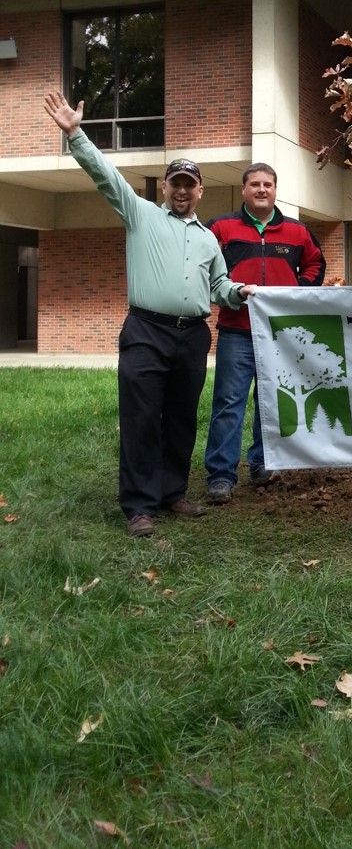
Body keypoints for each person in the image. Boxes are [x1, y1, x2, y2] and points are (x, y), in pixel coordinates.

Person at [43, 91, 257, 539]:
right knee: (141, 418)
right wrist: (75, 134)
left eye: (189, 185)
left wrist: (237, 292)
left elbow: (218, 287)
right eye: (175, 183)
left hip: (192, 336)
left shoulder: (208, 240)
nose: (181, 191)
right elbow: (106, 177)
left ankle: (171, 492)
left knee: (181, 416)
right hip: (146, 330)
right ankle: (139, 505)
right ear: (165, 187)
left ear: (200, 191)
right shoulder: (140, 215)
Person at [204, 164, 326, 503]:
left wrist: (296, 290)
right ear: (243, 190)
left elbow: (316, 264)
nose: (261, 190)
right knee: (229, 403)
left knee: (270, 400)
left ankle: (262, 463)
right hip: (236, 330)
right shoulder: (221, 228)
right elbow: (204, 267)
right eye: (254, 184)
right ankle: (221, 475)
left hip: (279, 334)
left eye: (267, 184)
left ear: (275, 190)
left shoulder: (297, 232)